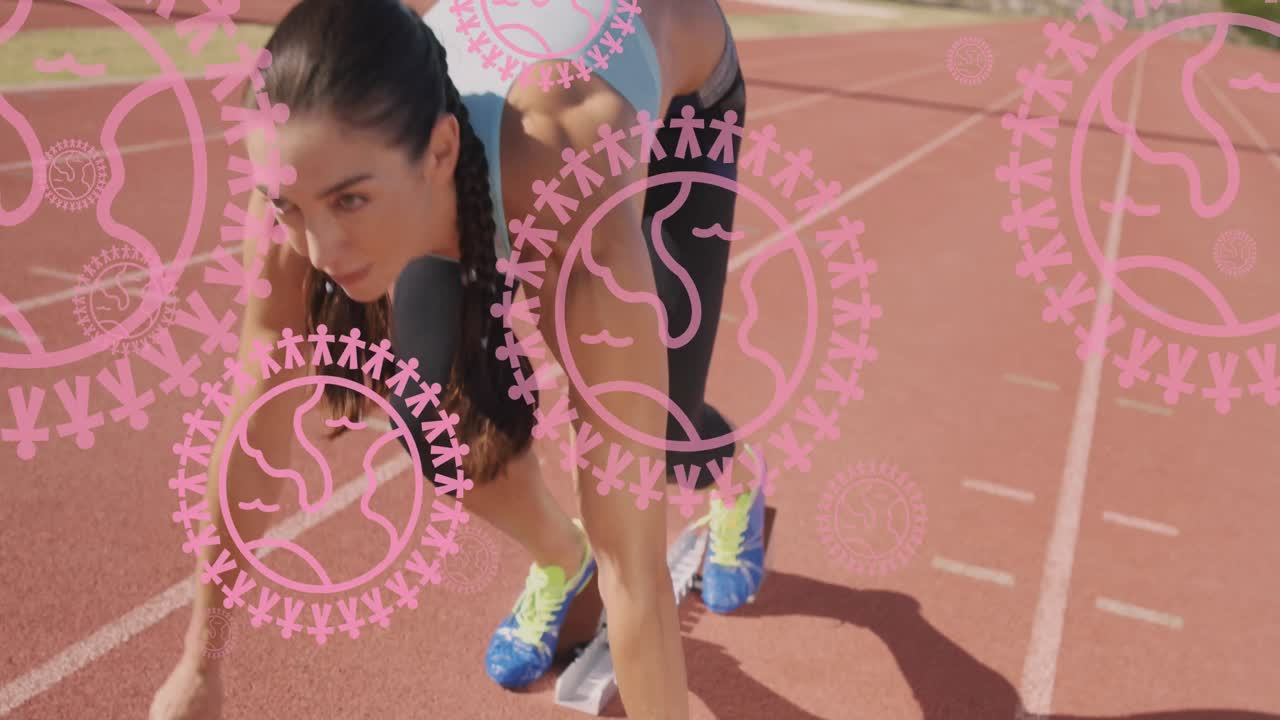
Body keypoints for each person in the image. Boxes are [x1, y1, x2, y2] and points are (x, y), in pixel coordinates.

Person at [149, 0, 765, 717]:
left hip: (684, 97)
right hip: (480, 136)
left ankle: (735, 477)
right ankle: (562, 561)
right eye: (289, 208)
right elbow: (256, 414)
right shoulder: (307, 174)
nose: (318, 252)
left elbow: (635, 571)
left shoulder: (575, 198)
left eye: (349, 202)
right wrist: (200, 664)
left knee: (665, 441)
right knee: (436, 426)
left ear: (440, 152)